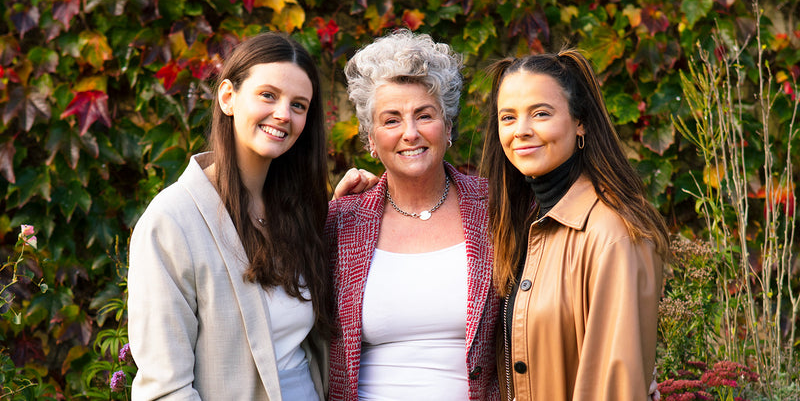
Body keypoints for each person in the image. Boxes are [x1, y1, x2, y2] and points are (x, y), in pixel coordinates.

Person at [127, 32, 332, 400]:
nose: (283, 114)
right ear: (227, 97)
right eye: (268, 95)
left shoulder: (299, 212)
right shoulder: (172, 222)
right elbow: (165, 388)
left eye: (299, 105)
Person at [481, 49, 668, 400]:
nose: (521, 131)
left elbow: (615, 387)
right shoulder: (522, 223)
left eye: (540, 113)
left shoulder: (612, 234)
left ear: (579, 121)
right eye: (508, 117)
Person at [326, 29, 500, 400]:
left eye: (424, 115)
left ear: (448, 126)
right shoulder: (341, 222)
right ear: (370, 139)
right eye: (391, 120)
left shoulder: (496, 210)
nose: (410, 133)